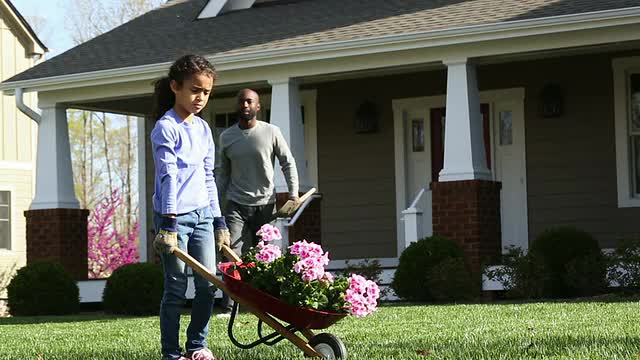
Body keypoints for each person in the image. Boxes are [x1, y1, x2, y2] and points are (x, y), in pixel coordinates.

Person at [151, 54, 230, 360]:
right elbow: (168, 177)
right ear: (175, 87)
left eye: (206, 92)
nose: (200, 98)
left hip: (202, 216)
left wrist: (219, 221)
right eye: (195, 90)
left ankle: (197, 346)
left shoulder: (203, 129)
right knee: (174, 287)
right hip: (173, 218)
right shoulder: (165, 128)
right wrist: (168, 225)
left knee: (209, 283)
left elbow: (208, 177)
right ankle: (171, 354)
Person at [215, 88, 300, 317]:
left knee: (267, 254)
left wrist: (293, 193)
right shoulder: (227, 137)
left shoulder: (271, 132)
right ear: (237, 106)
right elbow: (222, 174)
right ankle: (231, 307)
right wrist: (214, 205)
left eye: (249, 102)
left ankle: (268, 303)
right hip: (236, 204)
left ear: (258, 106)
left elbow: (287, 162)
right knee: (231, 252)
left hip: (266, 205)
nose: (245, 105)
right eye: (241, 101)